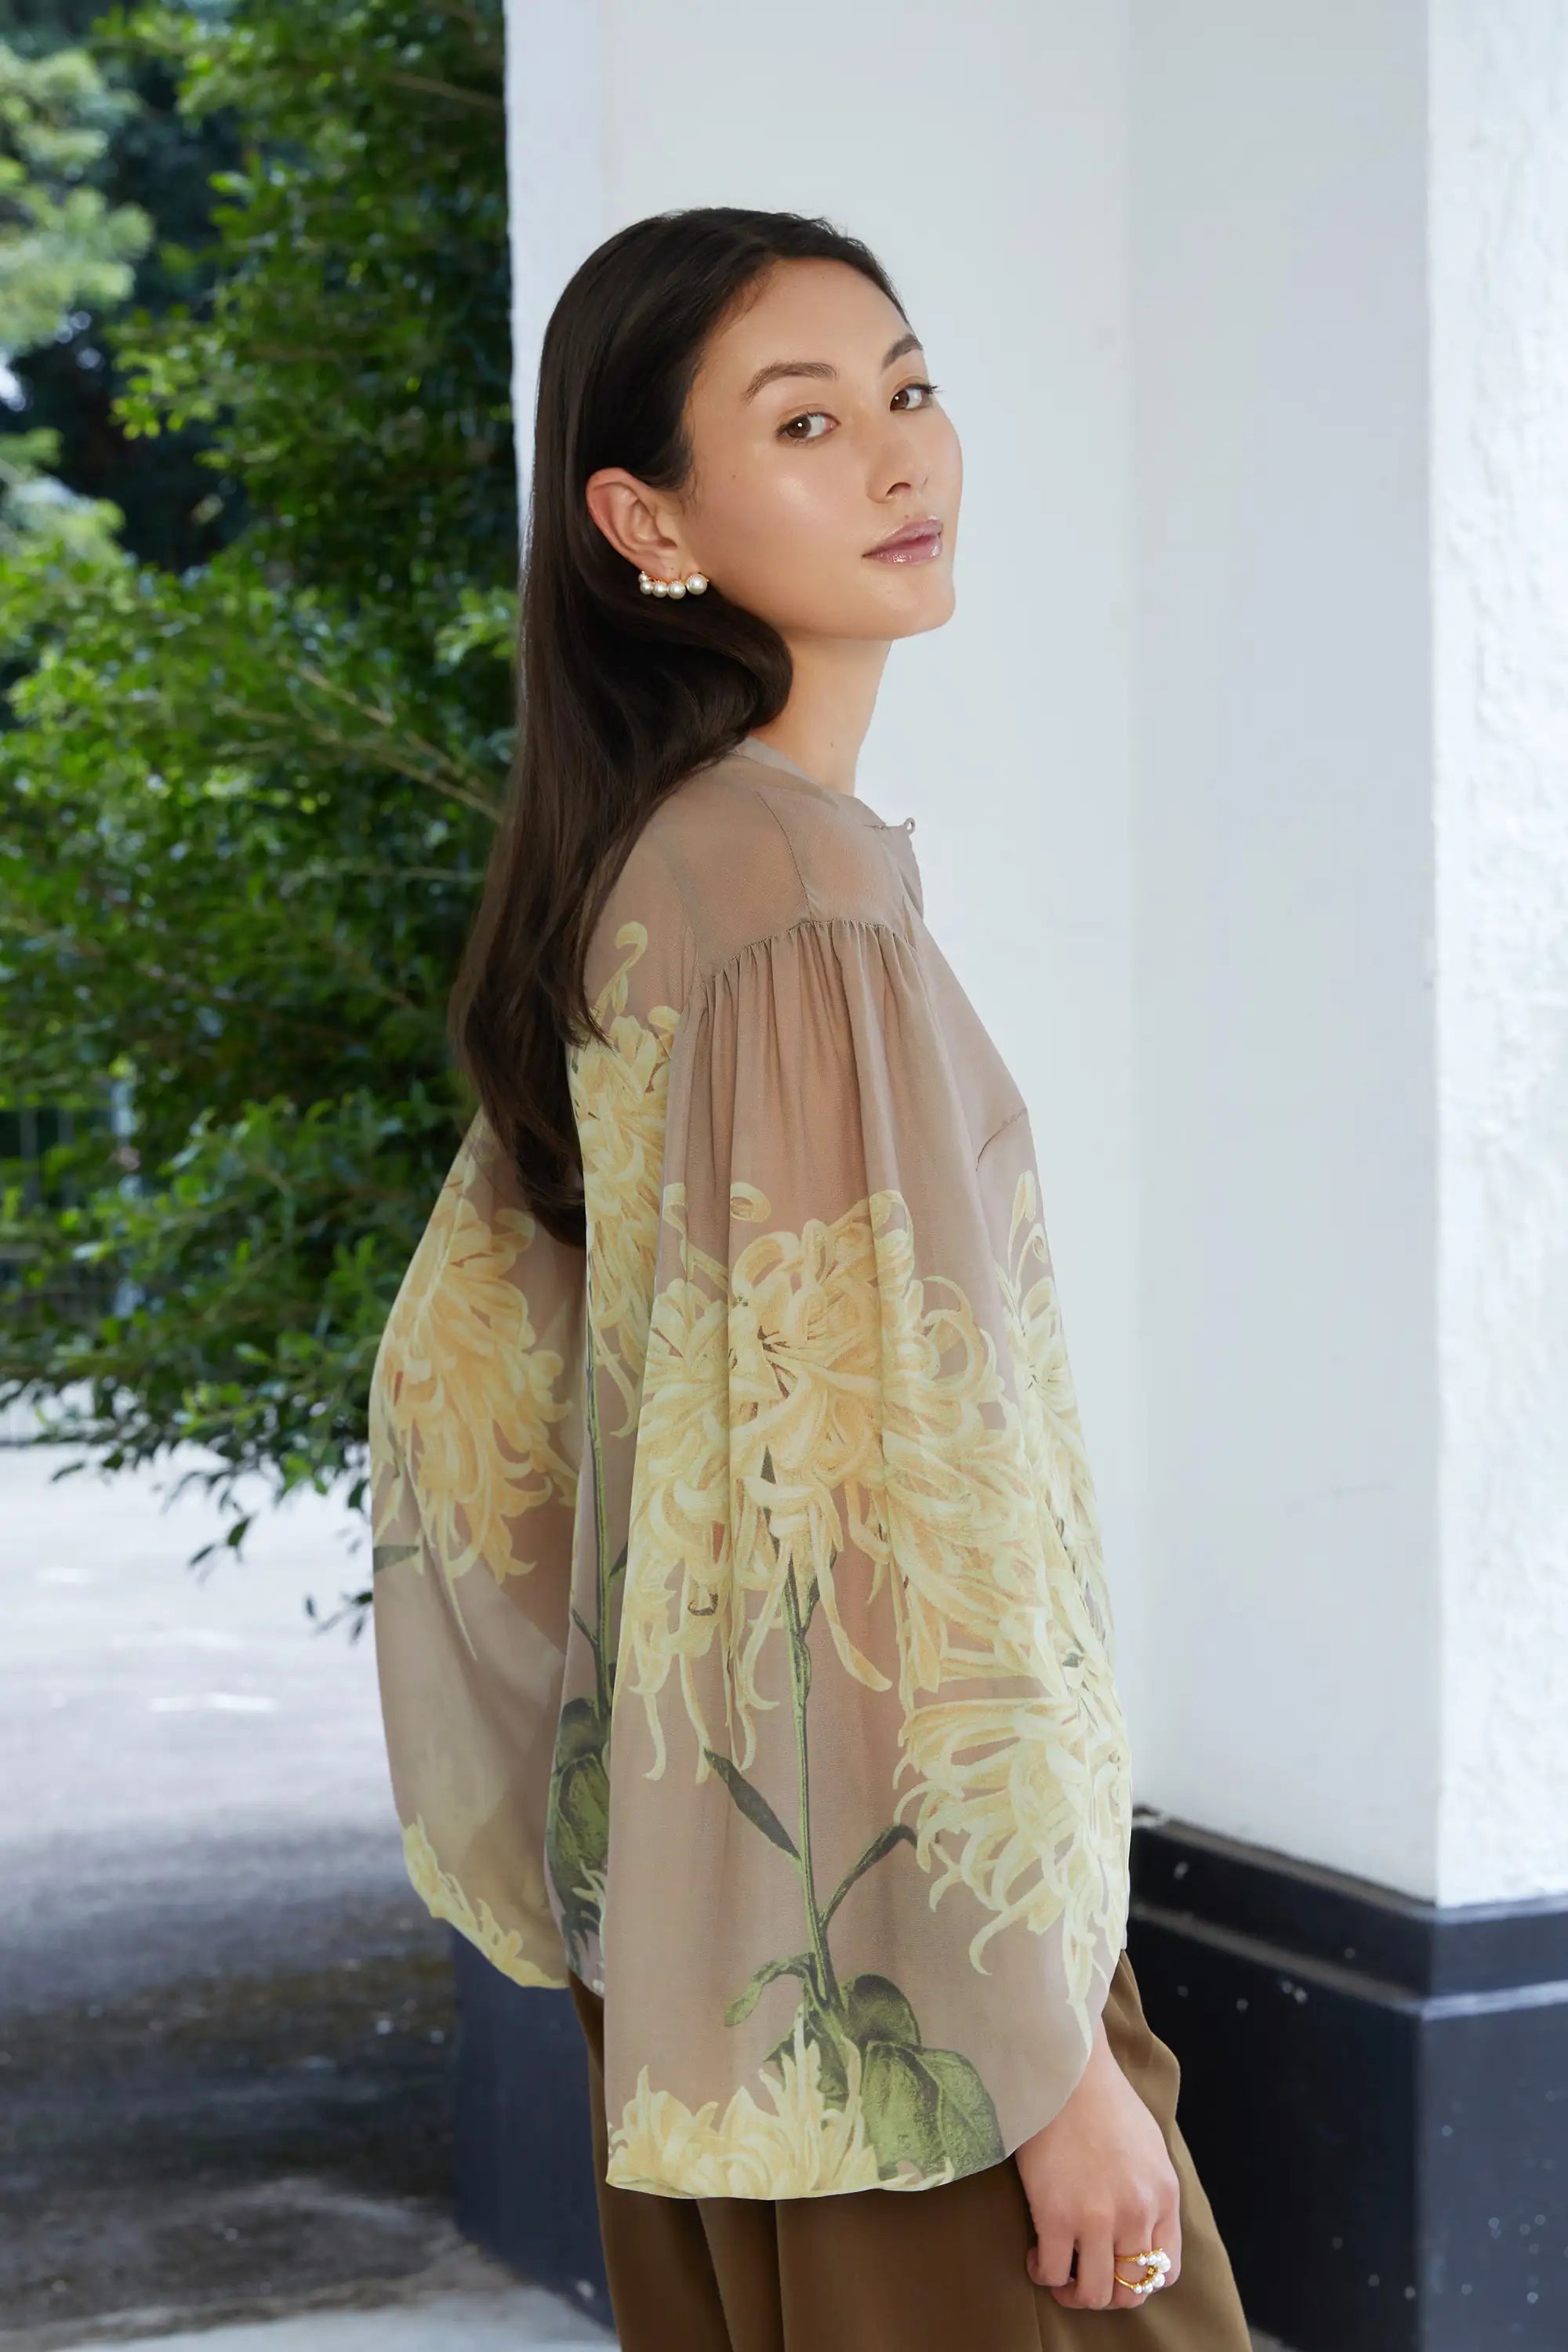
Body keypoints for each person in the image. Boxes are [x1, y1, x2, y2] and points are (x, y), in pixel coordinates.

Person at [368, 207, 1254, 2352]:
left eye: (911, 388)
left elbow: (467, 1435)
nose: (897, 454)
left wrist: (608, 1867)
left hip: (706, 1973)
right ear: (642, 517)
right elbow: (866, 1527)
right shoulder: (795, 899)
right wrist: (1044, 2060)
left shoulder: (647, 867)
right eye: (805, 418)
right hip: (907, 2014)